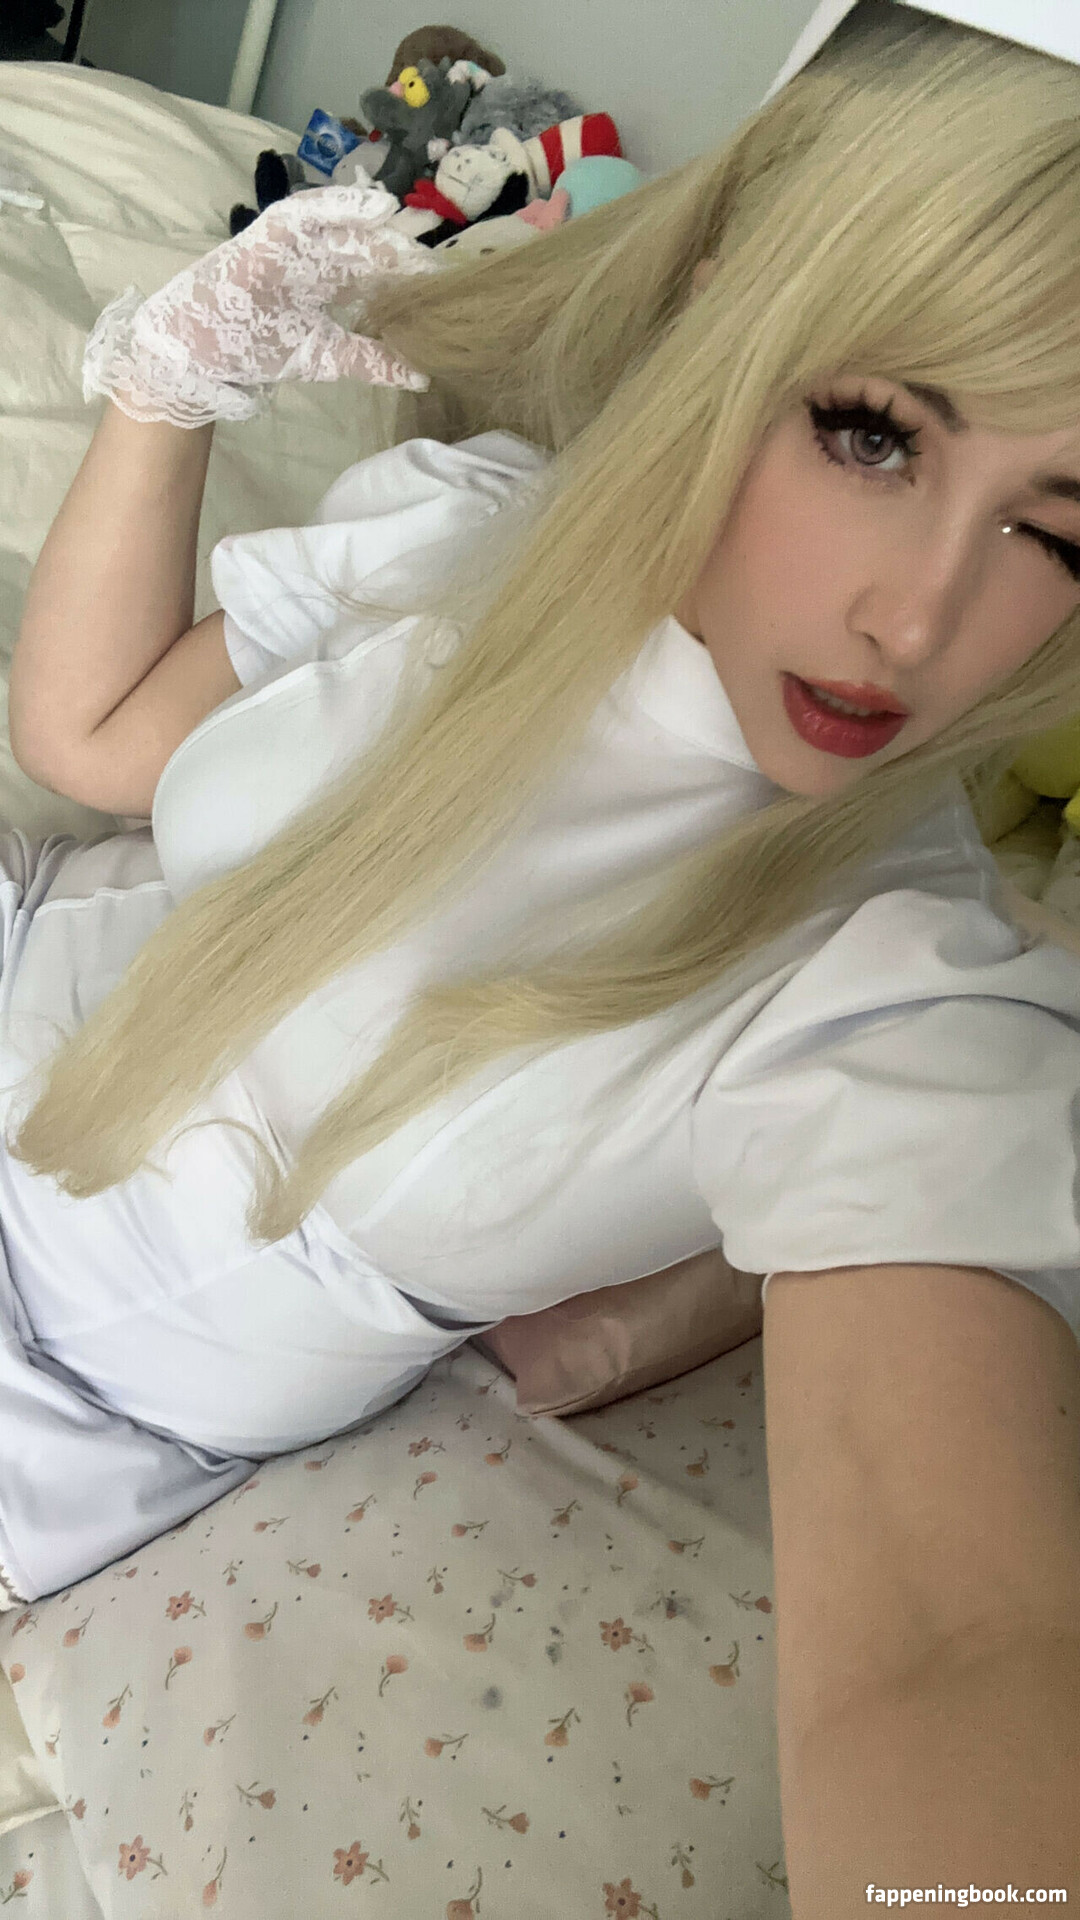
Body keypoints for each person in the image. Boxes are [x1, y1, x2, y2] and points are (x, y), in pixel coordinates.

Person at [3, 0, 1080, 1909]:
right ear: (731, 308)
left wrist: (680, 1307)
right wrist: (169, 385)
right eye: (874, 435)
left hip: (66, 1429)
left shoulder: (900, 979)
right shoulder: (472, 529)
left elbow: (955, 1649)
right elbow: (93, 743)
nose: (917, 621)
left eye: (1063, 537)